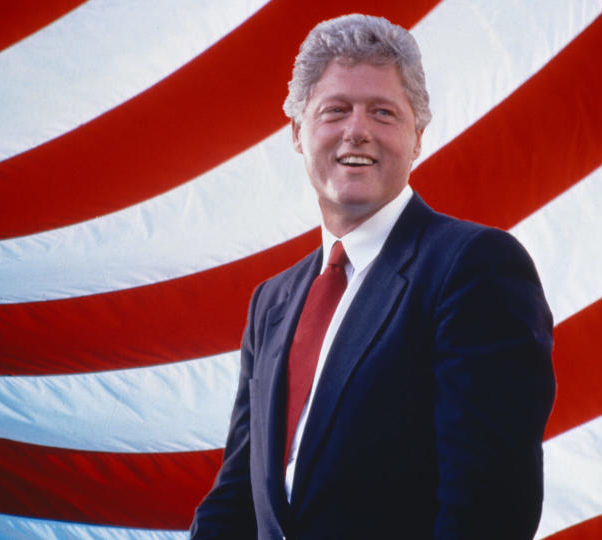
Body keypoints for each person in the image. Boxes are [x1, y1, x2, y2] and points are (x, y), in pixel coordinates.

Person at [191, 13, 555, 539]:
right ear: (298, 133)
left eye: (382, 112)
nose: (356, 130)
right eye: (334, 110)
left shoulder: (474, 267)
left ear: (417, 138)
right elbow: (237, 497)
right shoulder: (271, 302)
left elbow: (488, 507)